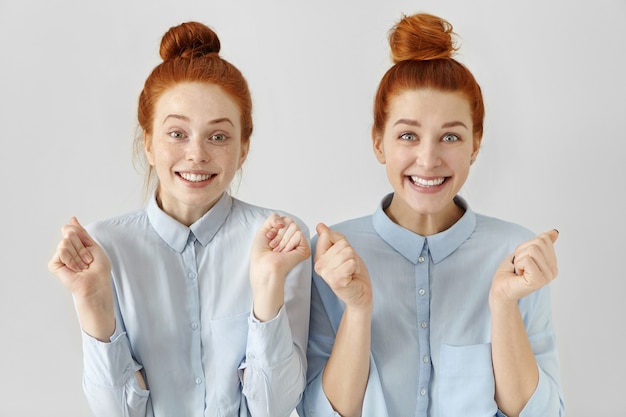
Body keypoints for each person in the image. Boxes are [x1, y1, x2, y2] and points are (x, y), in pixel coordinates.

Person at [298, 12, 564, 417]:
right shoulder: (333, 255)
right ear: (378, 143)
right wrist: (357, 310)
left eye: (451, 137)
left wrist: (504, 305)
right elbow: (319, 413)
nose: (428, 159)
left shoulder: (517, 255)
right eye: (408, 135)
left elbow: (542, 414)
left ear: (475, 145)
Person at [48, 21, 311, 417]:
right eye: (176, 134)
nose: (196, 154)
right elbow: (116, 412)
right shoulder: (103, 248)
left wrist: (268, 287)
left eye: (218, 136)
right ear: (149, 143)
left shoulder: (279, 239)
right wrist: (92, 300)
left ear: (243, 148)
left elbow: (273, 407)